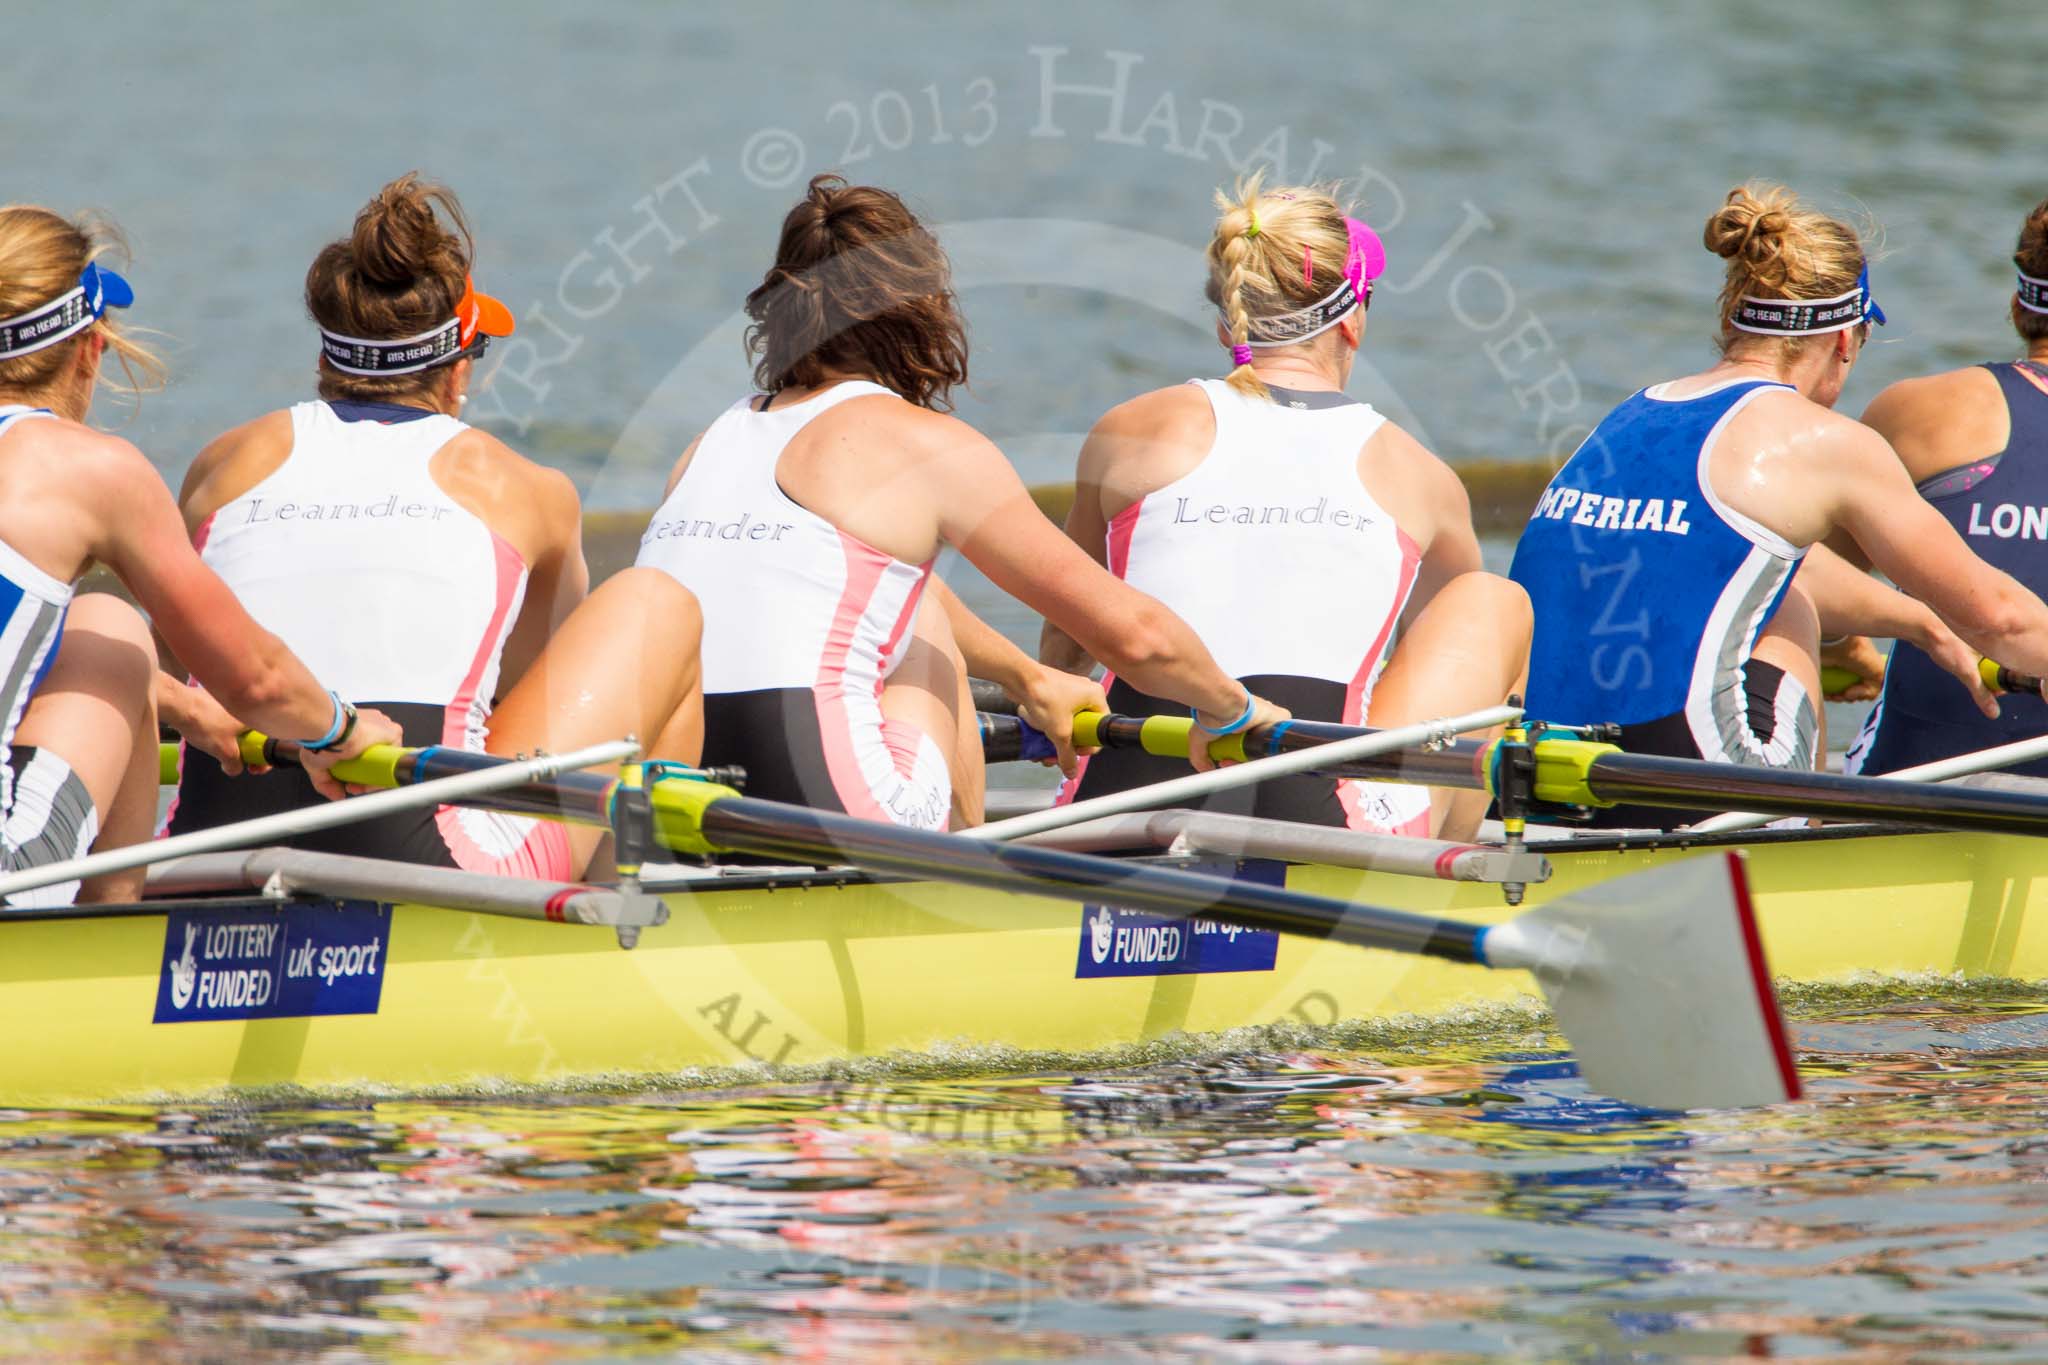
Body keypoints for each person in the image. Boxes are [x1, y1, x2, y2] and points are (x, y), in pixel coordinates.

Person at [635, 174, 1285, 830]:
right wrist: (1230, 706)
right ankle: (964, 878)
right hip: (824, 797)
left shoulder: (707, 444)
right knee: (924, 644)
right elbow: (1135, 635)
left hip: (681, 781)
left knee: (889, 593)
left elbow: (859, 584)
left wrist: (1030, 680)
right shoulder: (925, 446)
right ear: (920, 306)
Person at [169, 175, 702, 878]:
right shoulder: (528, 488)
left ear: (327, 360)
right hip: (428, 858)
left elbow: (178, 672)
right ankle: (628, 923)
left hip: (201, 844)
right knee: (657, 605)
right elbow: (529, 694)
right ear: (455, 371)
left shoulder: (223, 464)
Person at [1509, 182, 2048, 827]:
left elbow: (1720, 555)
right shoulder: (1826, 441)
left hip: (1539, 766)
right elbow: (2001, 619)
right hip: (1691, 790)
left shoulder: (1631, 412)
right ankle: (1801, 842)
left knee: (1765, 576)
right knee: (1787, 607)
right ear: (1846, 340)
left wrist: (1921, 625)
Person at [1040, 176, 1530, 842]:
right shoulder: (1422, 476)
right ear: (1353, 322)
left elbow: (1064, 647)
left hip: (1109, 806)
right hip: (1318, 826)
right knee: (1491, 602)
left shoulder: (1128, 429)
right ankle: (1465, 868)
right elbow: (1447, 681)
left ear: (1226, 326)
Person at [0, 204, 402, 906]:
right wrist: (340, 728)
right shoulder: (90, 469)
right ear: (91, 349)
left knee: (92, 629)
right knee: (119, 633)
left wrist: (181, 706)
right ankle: (108, 965)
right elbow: (256, 679)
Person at [1844, 197, 2048, 778]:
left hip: (1912, 780)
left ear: (2018, 305)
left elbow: (1805, 581)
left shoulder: (1919, 409)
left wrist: (1844, 650)